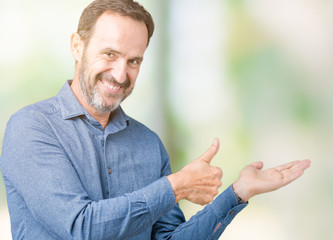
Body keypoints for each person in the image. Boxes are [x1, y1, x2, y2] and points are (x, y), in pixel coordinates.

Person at [0, 0, 311, 239]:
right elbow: (81, 227)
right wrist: (175, 187)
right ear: (77, 46)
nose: (120, 74)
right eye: (110, 54)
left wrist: (238, 192)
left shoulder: (148, 144)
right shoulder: (31, 128)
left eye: (133, 60)